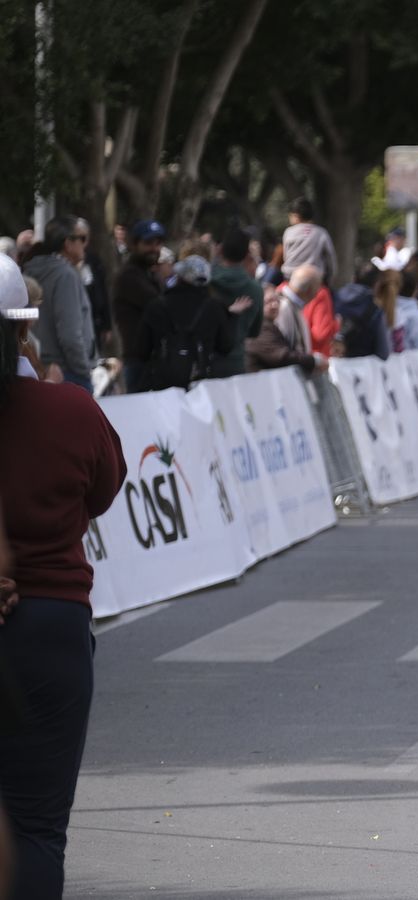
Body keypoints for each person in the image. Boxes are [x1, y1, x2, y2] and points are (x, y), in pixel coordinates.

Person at [0, 251, 127, 900]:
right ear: (23, 330)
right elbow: (105, 490)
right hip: (50, 628)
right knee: (37, 830)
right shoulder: (72, 412)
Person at [136, 256, 246, 391]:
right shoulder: (213, 307)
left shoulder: (156, 306)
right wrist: (232, 317)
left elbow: (141, 351)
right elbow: (225, 346)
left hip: (162, 386)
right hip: (199, 385)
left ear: (179, 277)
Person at [21, 216, 96, 392]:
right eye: (82, 239)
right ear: (68, 243)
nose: (85, 244)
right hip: (67, 373)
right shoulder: (65, 276)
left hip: (41, 369)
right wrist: (84, 371)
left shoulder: (31, 269)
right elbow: (70, 334)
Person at [112, 219, 166, 392]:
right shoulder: (130, 276)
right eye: (148, 243)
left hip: (152, 358)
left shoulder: (149, 274)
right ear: (135, 245)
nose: (154, 249)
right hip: (138, 360)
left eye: (158, 243)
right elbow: (158, 305)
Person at [208, 229, 265, 378]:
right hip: (236, 365)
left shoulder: (205, 283)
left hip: (206, 362)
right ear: (247, 255)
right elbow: (254, 331)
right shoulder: (255, 290)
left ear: (220, 250)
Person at [246, 286, 321, 374]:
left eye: (277, 300)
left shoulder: (268, 325)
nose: (275, 305)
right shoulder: (260, 328)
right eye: (268, 301)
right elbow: (282, 357)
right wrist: (314, 361)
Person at [281, 197, 338, 287]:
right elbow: (330, 258)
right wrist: (330, 277)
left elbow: (285, 256)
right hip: (314, 280)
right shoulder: (321, 232)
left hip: (290, 278)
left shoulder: (288, 232)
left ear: (296, 216)